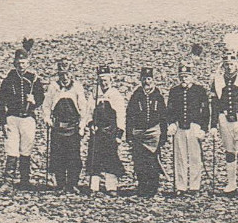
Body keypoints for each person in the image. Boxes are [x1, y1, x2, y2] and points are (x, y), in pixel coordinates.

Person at [0, 44, 45, 191]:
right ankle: (8, 182)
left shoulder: (34, 79)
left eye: (23, 63)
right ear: (14, 63)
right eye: (18, 63)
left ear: (28, 63)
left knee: (26, 149)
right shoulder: (9, 79)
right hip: (12, 118)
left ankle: (25, 181)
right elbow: (1, 101)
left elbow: (41, 97)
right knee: (11, 149)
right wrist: (2, 121)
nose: (21, 66)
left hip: (28, 119)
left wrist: (34, 101)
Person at [211, 51, 238, 196]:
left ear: (236, 64)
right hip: (224, 119)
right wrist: (212, 125)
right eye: (226, 65)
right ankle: (231, 184)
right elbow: (215, 104)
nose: (229, 67)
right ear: (223, 66)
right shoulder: (218, 81)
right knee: (229, 151)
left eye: (231, 64)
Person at [44, 59, 89, 193]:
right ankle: (60, 183)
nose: (64, 78)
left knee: (73, 155)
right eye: (62, 74)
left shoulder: (77, 87)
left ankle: (73, 183)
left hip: (72, 126)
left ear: (71, 74)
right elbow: (47, 105)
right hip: (58, 126)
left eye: (67, 74)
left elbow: (83, 108)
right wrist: (47, 118)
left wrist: (82, 125)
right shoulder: (53, 87)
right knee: (58, 155)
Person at [166, 61, 210, 196]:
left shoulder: (200, 91)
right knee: (180, 157)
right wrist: (171, 123)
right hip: (180, 127)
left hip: (194, 127)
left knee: (195, 158)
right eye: (182, 76)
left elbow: (205, 111)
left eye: (186, 76)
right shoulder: (174, 91)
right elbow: (170, 110)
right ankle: (181, 186)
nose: (184, 79)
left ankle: (195, 186)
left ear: (192, 76)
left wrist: (203, 128)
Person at [126, 66, 168, 198]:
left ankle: (153, 187)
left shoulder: (158, 96)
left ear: (153, 80)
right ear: (141, 80)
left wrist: (163, 135)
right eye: (144, 79)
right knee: (140, 162)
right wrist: (129, 133)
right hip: (138, 132)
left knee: (153, 161)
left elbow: (163, 116)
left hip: (154, 133)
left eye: (149, 79)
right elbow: (129, 115)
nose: (147, 82)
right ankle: (142, 187)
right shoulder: (136, 95)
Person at [85, 64, 126, 196]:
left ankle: (111, 187)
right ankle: (94, 186)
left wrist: (119, 133)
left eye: (106, 80)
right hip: (97, 131)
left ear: (110, 80)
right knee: (94, 158)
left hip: (110, 131)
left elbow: (120, 114)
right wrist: (91, 124)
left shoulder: (115, 95)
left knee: (111, 158)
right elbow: (89, 111)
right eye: (101, 80)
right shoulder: (94, 94)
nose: (104, 83)